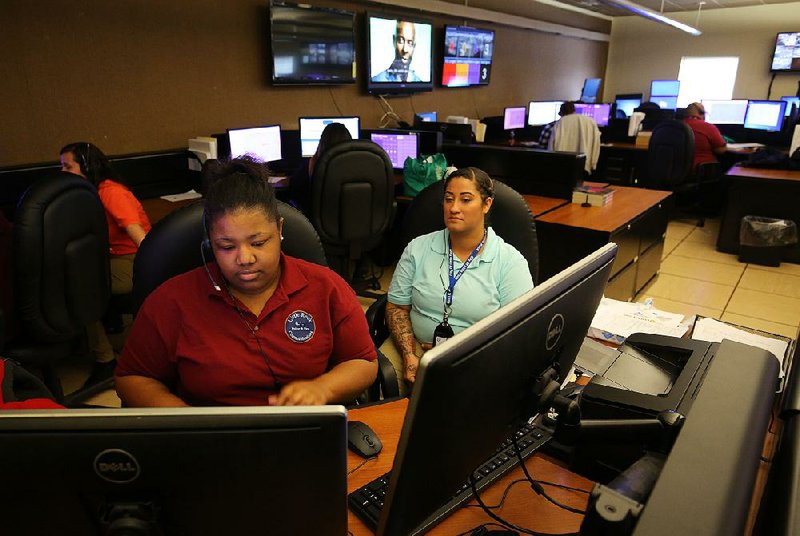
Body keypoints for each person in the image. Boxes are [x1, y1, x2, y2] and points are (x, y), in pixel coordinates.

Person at [115, 157, 377, 407]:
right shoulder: (171, 300)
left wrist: (323, 388)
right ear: (209, 243)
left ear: (280, 230)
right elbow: (132, 378)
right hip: (209, 437)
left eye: (258, 243)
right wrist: (185, 420)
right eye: (227, 246)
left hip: (304, 429)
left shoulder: (326, 287)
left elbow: (363, 361)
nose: (245, 258)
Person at [383, 167, 534, 394]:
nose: (454, 208)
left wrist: (459, 357)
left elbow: (519, 333)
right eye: (448, 199)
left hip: (478, 357)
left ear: (486, 205)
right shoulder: (418, 248)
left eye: (465, 200)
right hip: (415, 346)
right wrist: (409, 355)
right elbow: (396, 307)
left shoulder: (510, 262)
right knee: (376, 375)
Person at [59, 142, 152, 387]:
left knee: (80, 291)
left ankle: (104, 359)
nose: (63, 172)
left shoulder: (110, 192)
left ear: (87, 166)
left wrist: (153, 272)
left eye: (68, 166)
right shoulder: (90, 192)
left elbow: (139, 236)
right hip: (115, 258)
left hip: (133, 260)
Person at [290, 122, 352, 214]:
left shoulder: (309, 166)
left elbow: (294, 190)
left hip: (316, 225)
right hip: (352, 222)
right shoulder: (356, 168)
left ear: (321, 143)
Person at [548, 101, 601, 176]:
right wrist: (593, 163)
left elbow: (551, 144)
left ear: (561, 113)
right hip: (584, 163)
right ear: (574, 109)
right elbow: (596, 144)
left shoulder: (560, 122)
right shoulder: (590, 121)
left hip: (562, 163)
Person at [684, 102, 727, 170]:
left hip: (675, 171)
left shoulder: (676, 126)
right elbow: (721, 150)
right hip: (700, 170)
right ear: (702, 114)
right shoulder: (707, 126)